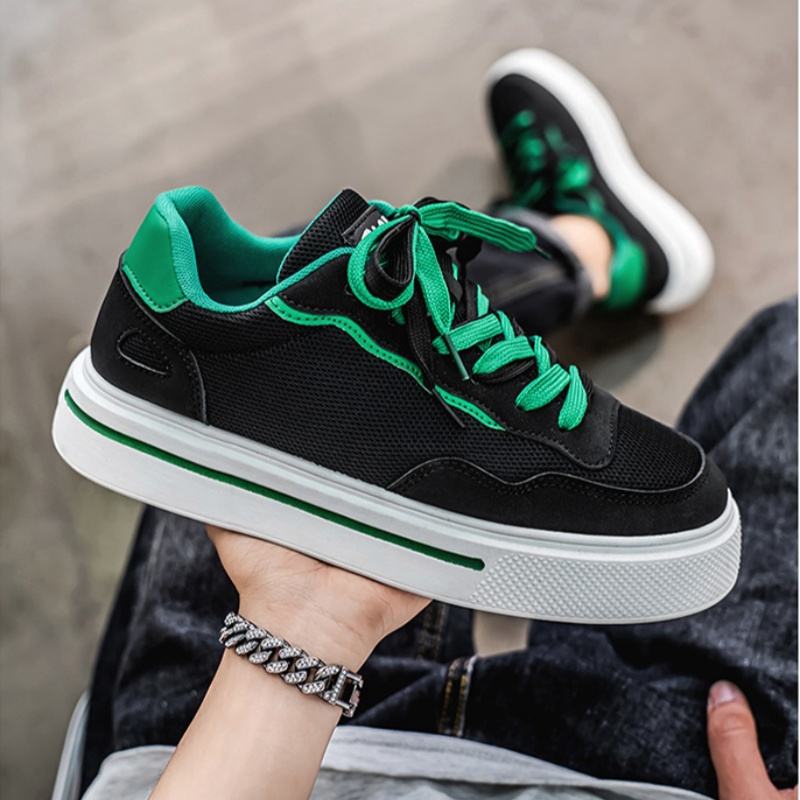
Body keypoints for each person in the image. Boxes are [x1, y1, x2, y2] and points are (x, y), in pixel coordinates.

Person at [76, 51, 796, 800]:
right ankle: (589, 245)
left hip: (204, 736)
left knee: (323, 269)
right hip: (602, 764)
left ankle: (580, 246)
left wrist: (294, 630)